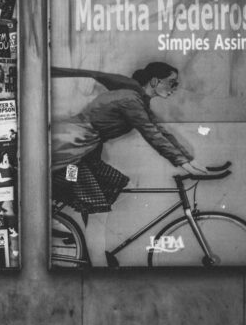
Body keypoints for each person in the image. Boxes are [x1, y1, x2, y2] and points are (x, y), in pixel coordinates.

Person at [51, 61, 209, 265]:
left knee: (115, 182)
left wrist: (190, 161)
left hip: (85, 152)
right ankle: (96, 261)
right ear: (154, 81)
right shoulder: (130, 99)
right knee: (92, 201)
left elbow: (161, 131)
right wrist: (183, 163)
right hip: (71, 150)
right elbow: (151, 133)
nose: (174, 89)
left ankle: (80, 236)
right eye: (171, 83)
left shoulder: (138, 100)